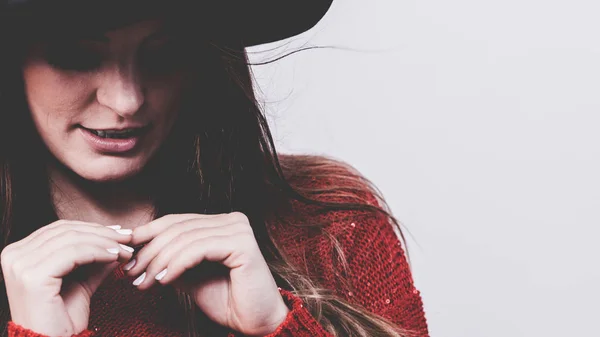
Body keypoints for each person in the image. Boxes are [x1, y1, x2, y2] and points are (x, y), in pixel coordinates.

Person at [0, 0, 429, 336]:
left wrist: (275, 327)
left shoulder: (330, 224)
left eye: (164, 53)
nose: (126, 101)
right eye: (78, 55)